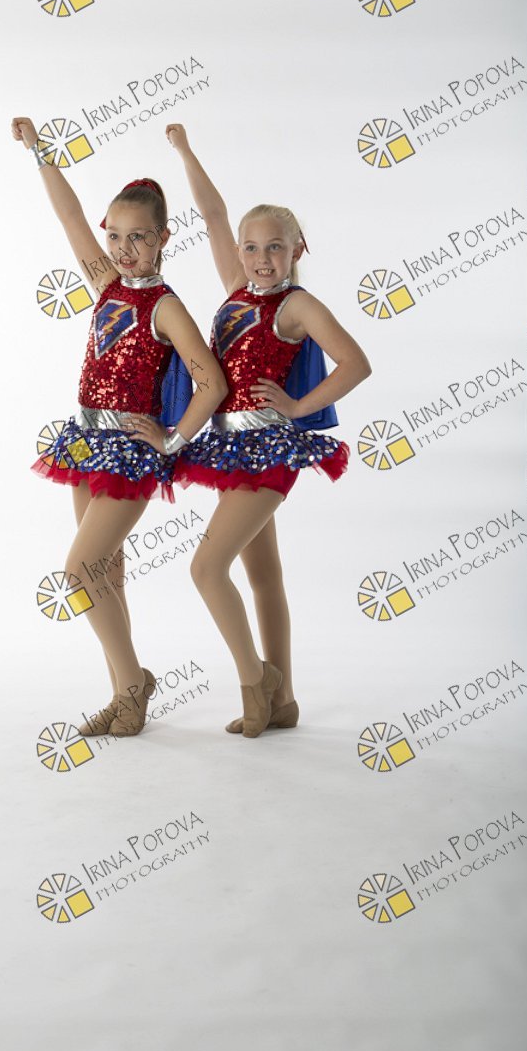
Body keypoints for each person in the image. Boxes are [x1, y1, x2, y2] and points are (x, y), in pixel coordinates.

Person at [11, 116, 226, 738]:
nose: (123, 248)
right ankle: (122, 693)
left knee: (78, 570)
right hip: (86, 441)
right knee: (104, 572)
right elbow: (69, 216)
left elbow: (211, 384)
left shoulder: (165, 306)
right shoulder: (105, 283)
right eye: (115, 235)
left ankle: (134, 686)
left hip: (131, 452)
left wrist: (172, 440)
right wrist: (39, 150)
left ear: (162, 239)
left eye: (138, 238)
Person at [166, 122, 372, 738]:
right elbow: (212, 214)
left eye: (274, 247)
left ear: (297, 247)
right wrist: (185, 151)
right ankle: (284, 701)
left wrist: (299, 405)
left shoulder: (296, 305)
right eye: (251, 247)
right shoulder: (237, 291)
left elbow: (356, 363)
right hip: (230, 446)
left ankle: (256, 683)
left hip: (269, 450)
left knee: (206, 568)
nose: (261, 258)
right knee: (263, 576)